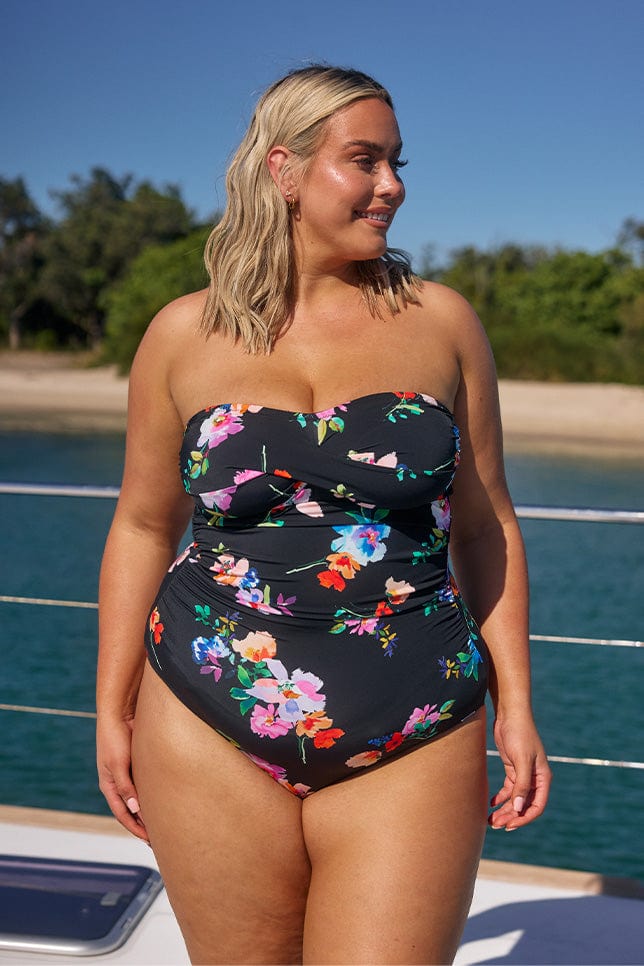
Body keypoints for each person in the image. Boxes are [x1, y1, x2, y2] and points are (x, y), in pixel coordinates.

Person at [97, 64, 551, 965]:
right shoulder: (183, 335)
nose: (394, 185)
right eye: (365, 160)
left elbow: (484, 526)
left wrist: (518, 708)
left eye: (397, 162)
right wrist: (110, 708)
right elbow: (144, 525)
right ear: (285, 170)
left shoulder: (443, 324)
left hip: (416, 720)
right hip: (204, 720)